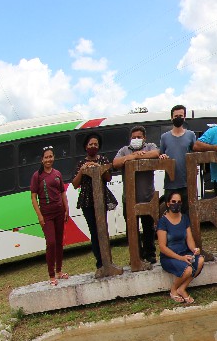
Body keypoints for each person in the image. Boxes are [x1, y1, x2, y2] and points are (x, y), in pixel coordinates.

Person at [113, 125, 166, 264]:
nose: (136, 139)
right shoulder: (124, 150)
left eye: (139, 137)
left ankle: (150, 254)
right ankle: (136, 256)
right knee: (132, 230)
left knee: (149, 228)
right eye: (134, 137)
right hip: (129, 200)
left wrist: (140, 156)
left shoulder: (149, 146)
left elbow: (157, 153)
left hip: (148, 198)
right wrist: (132, 156)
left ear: (144, 138)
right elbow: (116, 163)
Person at [71, 132, 113, 272]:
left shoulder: (103, 160)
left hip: (101, 199)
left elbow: (108, 178)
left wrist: (98, 167)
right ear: (85, 146)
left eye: (96, 144)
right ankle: (100, 263)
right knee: (94, 232)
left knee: (103, 229)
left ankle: (108, 260)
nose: (93, 146)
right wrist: (82, 171)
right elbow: (75, 184)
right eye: (91, 144)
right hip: (87, 201)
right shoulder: (81, 163)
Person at [30, 146, 69, 285]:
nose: (49, 159)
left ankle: (59, 271)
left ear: (54, 157)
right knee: (51, 243)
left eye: (51, 156)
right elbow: (33, 197)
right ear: (42, 159)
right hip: (46, 214)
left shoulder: (57, 173)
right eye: (46, 157)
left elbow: (62, 192)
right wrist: (39, 216)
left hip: (59, 212)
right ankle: (51, 275)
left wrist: (66, 209)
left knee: (59, 242)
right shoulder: (37, 176)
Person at [157, 190, 204, 304]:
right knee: (187, 270)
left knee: (201, 260)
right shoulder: (163, 222)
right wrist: (181, 258)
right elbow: (162, 247)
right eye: (173, 202)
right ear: (168, 203)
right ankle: (173, 290)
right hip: (169, 257)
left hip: (184, 253)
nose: (176, 204)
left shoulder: (184, 218)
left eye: (178, 202)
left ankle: (182, 288)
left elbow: (189, 239)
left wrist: (194, 250)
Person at [159, 104, 197, 212]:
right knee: (172, 215)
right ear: (171, 118)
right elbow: (161, 155)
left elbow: (194, 154)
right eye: (176, 116)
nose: (178, 118)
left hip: (187, 184)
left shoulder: (191, 135)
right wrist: (162, 157)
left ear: (184, 117)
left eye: (181, 115)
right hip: (170, 184)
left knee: (187, 215)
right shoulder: (164, 137)